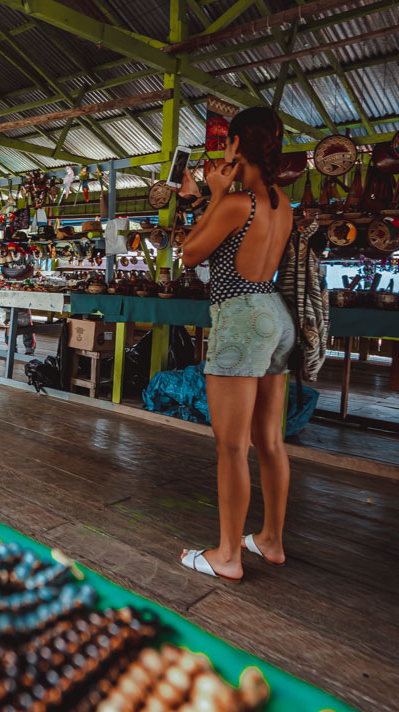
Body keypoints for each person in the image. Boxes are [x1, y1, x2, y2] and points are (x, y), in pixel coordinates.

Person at [175, 106, 295, 581]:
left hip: (241, 318)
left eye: (228, 143)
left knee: (231, 447)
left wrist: (212, 196)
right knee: (269, 440)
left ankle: (227, 554)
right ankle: (271, 540)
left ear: (239, 145)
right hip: (275, 314)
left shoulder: (235, 203)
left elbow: (189, 254)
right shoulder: (283, 203)